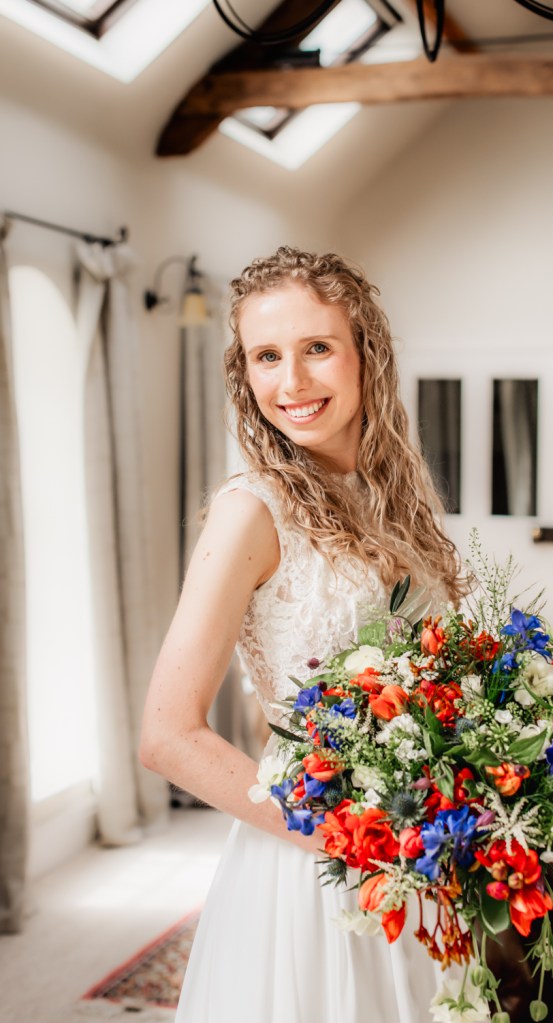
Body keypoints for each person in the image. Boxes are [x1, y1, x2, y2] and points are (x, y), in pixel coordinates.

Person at [140, 246, 469, 1023]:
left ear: (366, 354)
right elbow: (166, 735)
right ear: (244, 373)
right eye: (266, 356)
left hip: (420, 844)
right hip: (313, 857)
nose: (291, 383)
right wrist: (344, 837)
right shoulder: (250, 510)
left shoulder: (394, 498)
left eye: (317, 348)